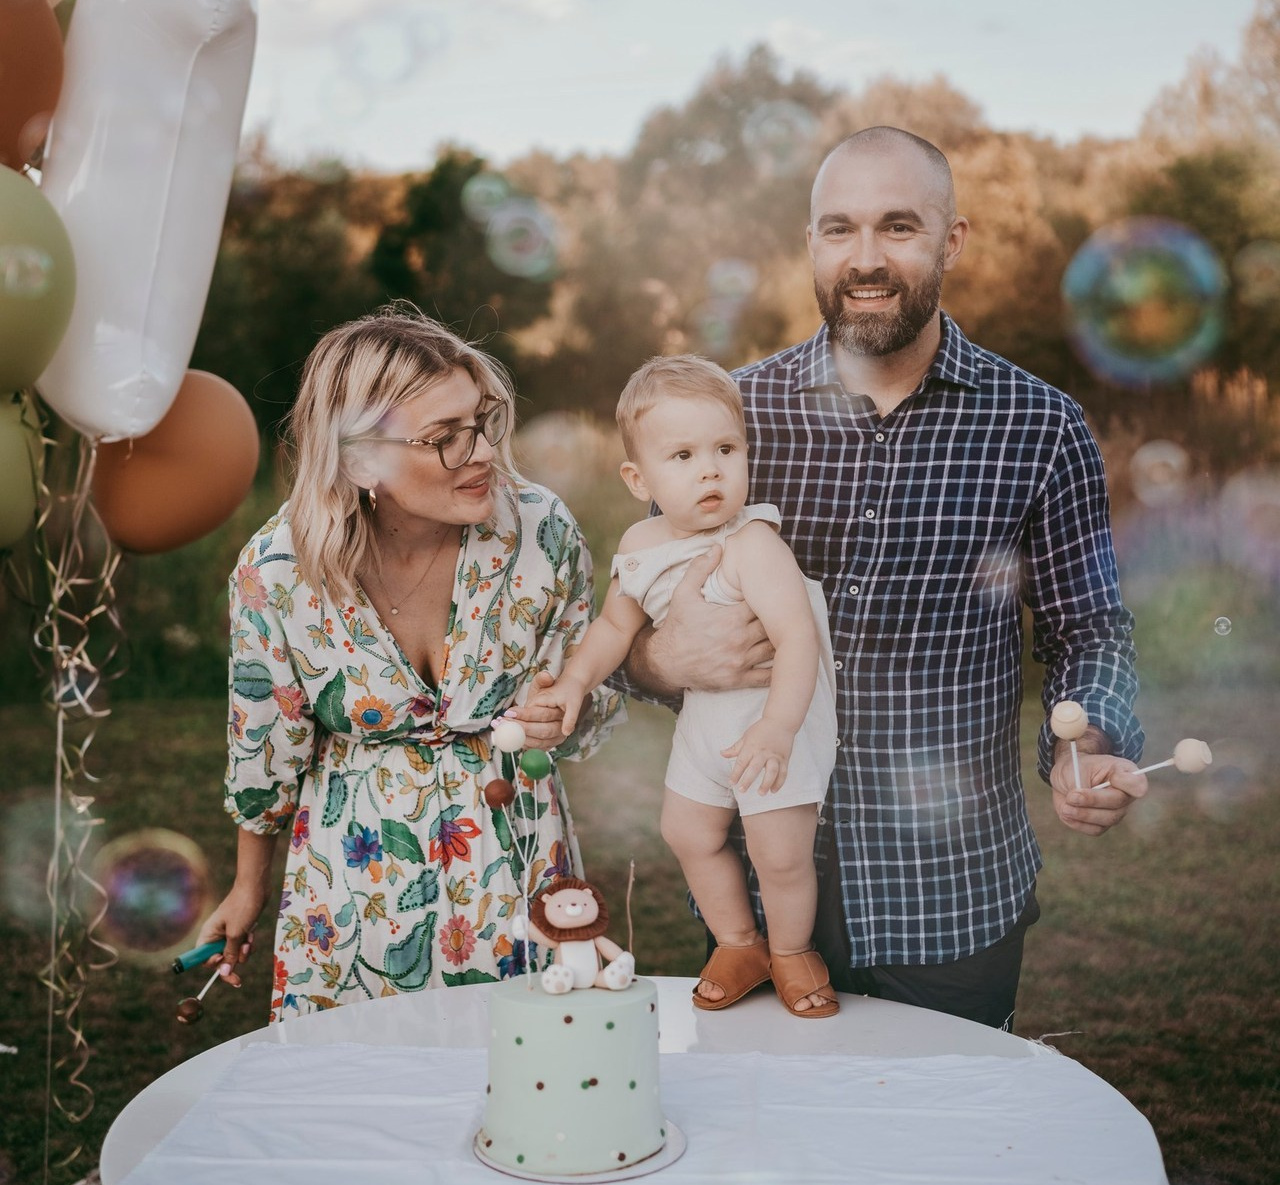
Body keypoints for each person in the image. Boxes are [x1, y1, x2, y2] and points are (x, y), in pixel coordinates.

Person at [621, 127, 1148, 1031]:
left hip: (950, 895)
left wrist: (1088, 737)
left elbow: (1089, 625)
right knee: (763, 1125)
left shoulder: (1042, 426)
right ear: (811, 244)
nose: (865, 258)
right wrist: (661, 658)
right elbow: (638, 616)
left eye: (899, 227)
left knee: (941, 1122)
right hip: (755, 890)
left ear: (952, 240)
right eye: (840, 229)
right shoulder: (727, 419)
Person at [197, 306, 622, 1019]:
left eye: (481, 421)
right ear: (361, 458)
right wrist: (248, 887)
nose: (482, 452)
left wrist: (566, 709)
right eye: (444, 437)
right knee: (365, 1076)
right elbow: (265, 747)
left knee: (529, 1060)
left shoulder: (540, 530)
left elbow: (592, 685)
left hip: (516, 859)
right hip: (355, 881)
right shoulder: (277, 574)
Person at [534, 355, 840, 1016]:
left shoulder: (753, 543)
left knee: (779, 853)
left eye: (726, 449)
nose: (711, 470)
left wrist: (778, 729)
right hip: (706, 724)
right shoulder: (641, 542)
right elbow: (615, 626)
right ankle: (739, 943)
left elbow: (798, 639)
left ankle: (793, 952)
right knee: (685, 831)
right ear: (637, 478)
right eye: (683, 456)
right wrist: (575, 680)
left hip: (773, 723)